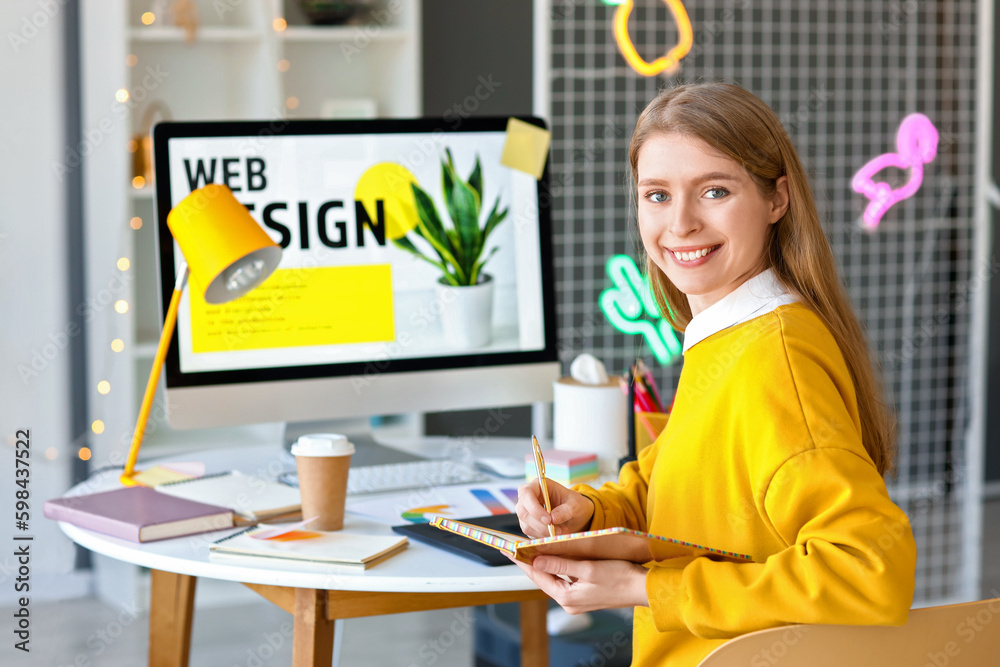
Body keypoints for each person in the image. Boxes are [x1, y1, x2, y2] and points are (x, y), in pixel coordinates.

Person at [514, 82, 917, 666]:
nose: (680, 224)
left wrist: (645, 588)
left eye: (714, 190)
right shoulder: (729, 337)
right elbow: (676, 485)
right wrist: (588, 511)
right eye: (656, 195)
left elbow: (869, 569)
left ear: (776, 199)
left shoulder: (774, 362)